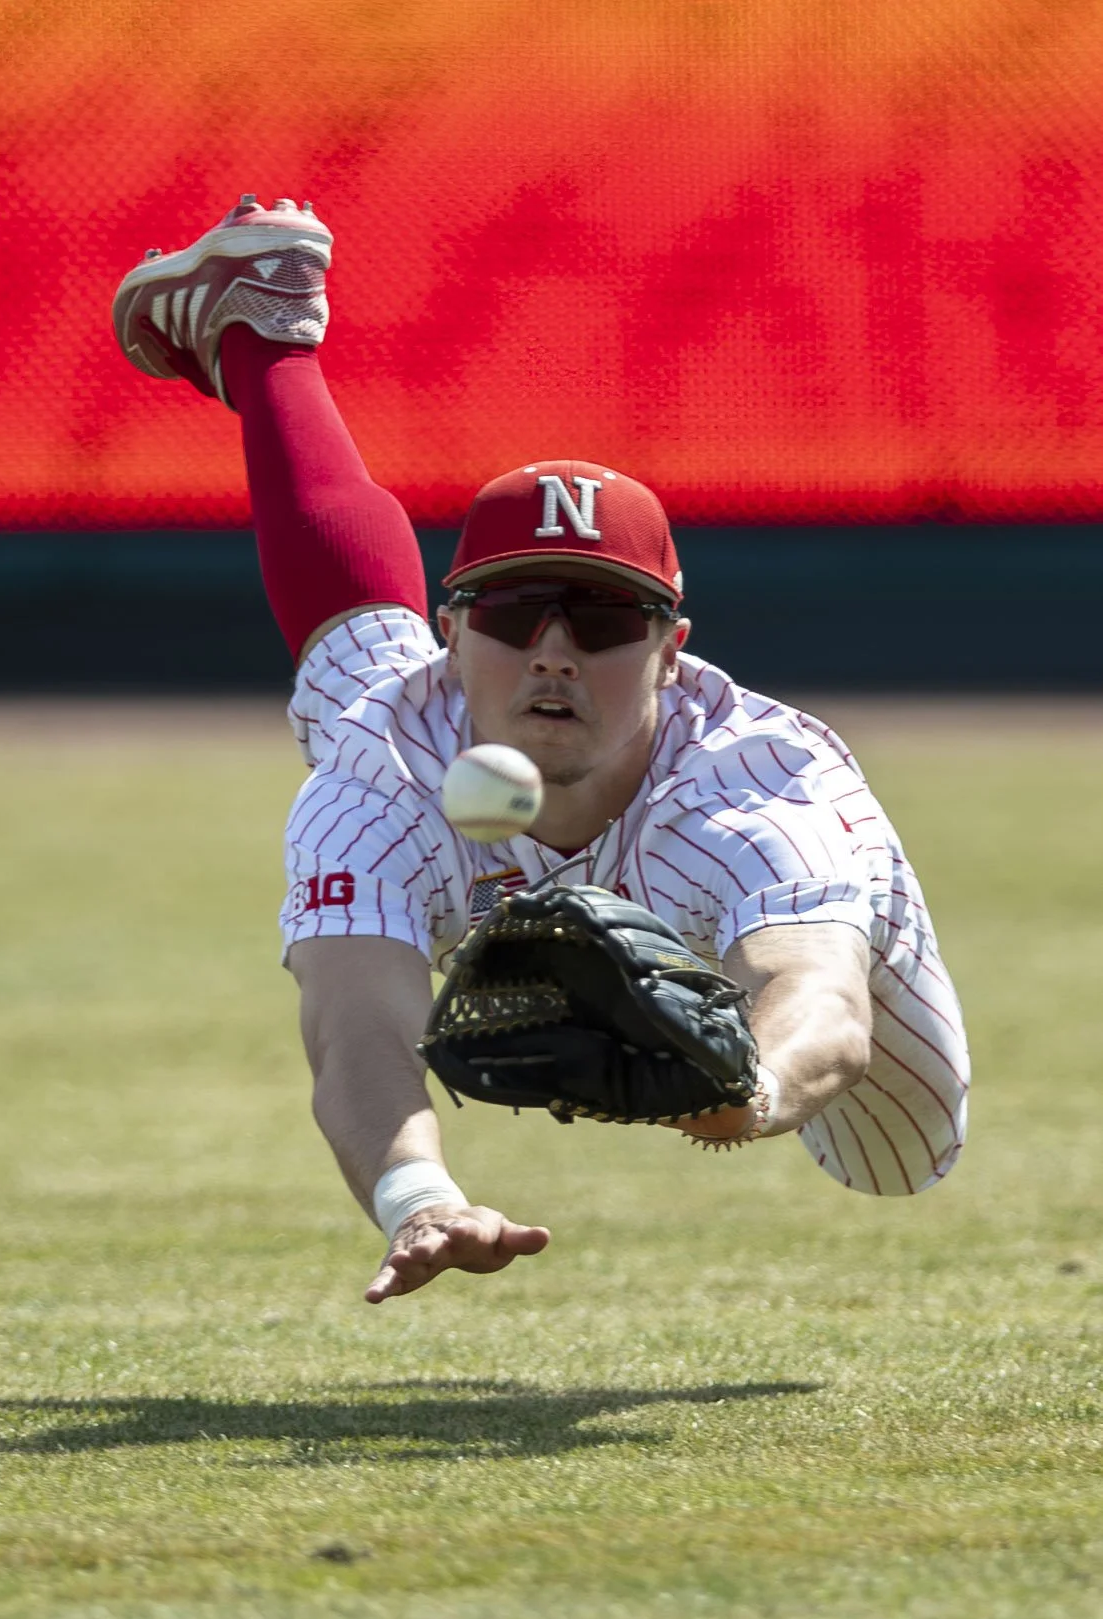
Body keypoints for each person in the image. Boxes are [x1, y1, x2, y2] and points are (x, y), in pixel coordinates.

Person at [113, 196, 970, 1306]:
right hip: (423, 754)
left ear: (674, 653)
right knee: (349, 660)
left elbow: (823, 1001)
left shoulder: (759, 782)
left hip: (781, 921)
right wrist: (416, 1193)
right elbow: (356, 1022)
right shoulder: (383, 760)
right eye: (516, 613)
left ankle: (259, 338)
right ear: (453, 631)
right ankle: (265, 321)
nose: (554, 652)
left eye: (606, 621)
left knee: (898, 1158)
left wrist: (750, 1086)